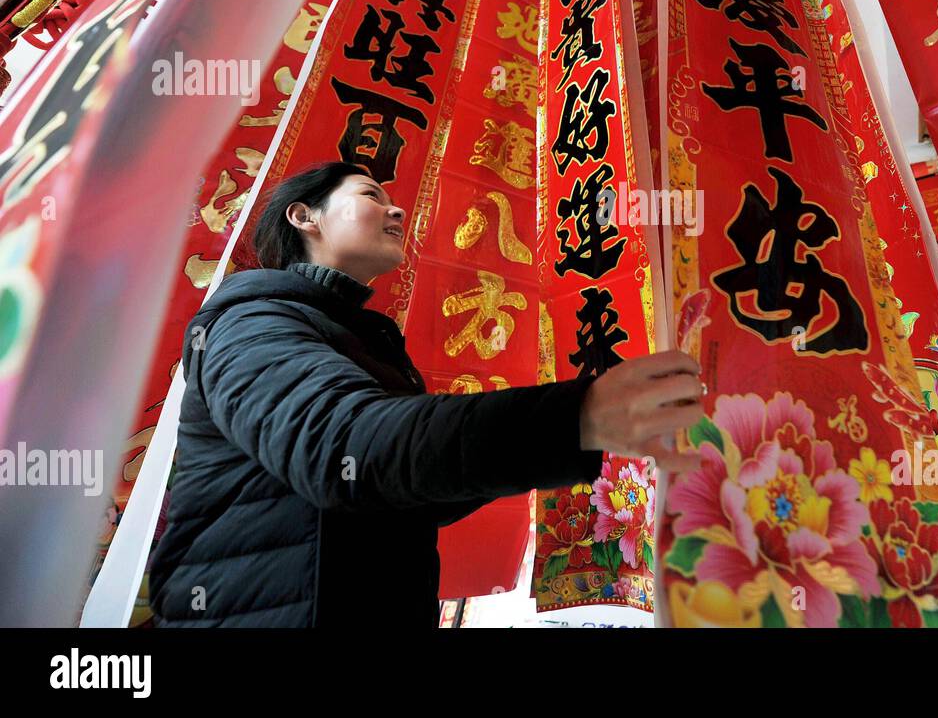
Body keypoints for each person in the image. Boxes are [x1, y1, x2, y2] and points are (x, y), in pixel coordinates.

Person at [148, 161, 703, 627]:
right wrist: (572, 418)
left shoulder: (364, 342)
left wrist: (580, 436)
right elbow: (348, 447)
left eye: (392, 199)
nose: (396, 210)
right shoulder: (251, 322)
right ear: (304, 216)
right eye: (371, 195)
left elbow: (407, 493)